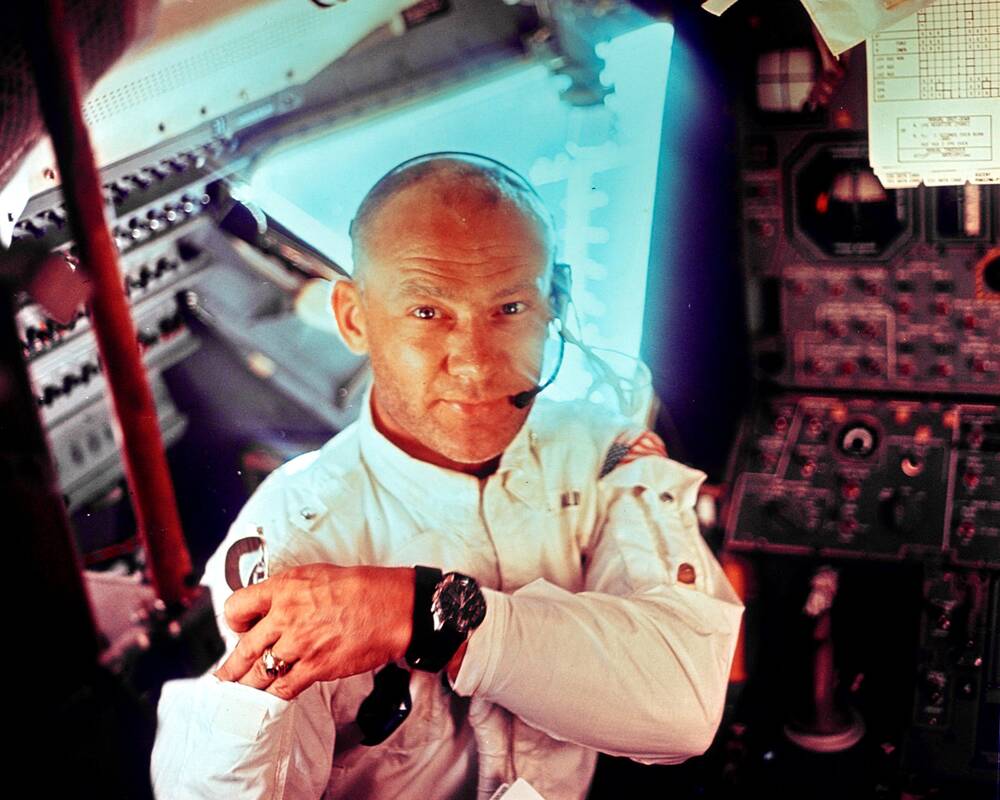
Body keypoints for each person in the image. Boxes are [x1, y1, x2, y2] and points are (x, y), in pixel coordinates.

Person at [151, 153, 744, 800]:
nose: (475, 364)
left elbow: (683, 707)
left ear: (556, 303)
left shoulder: (602, 451)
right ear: (353, 318)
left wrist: (422, 614)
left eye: (510, 307)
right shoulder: (294, 534)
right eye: (428, 313)